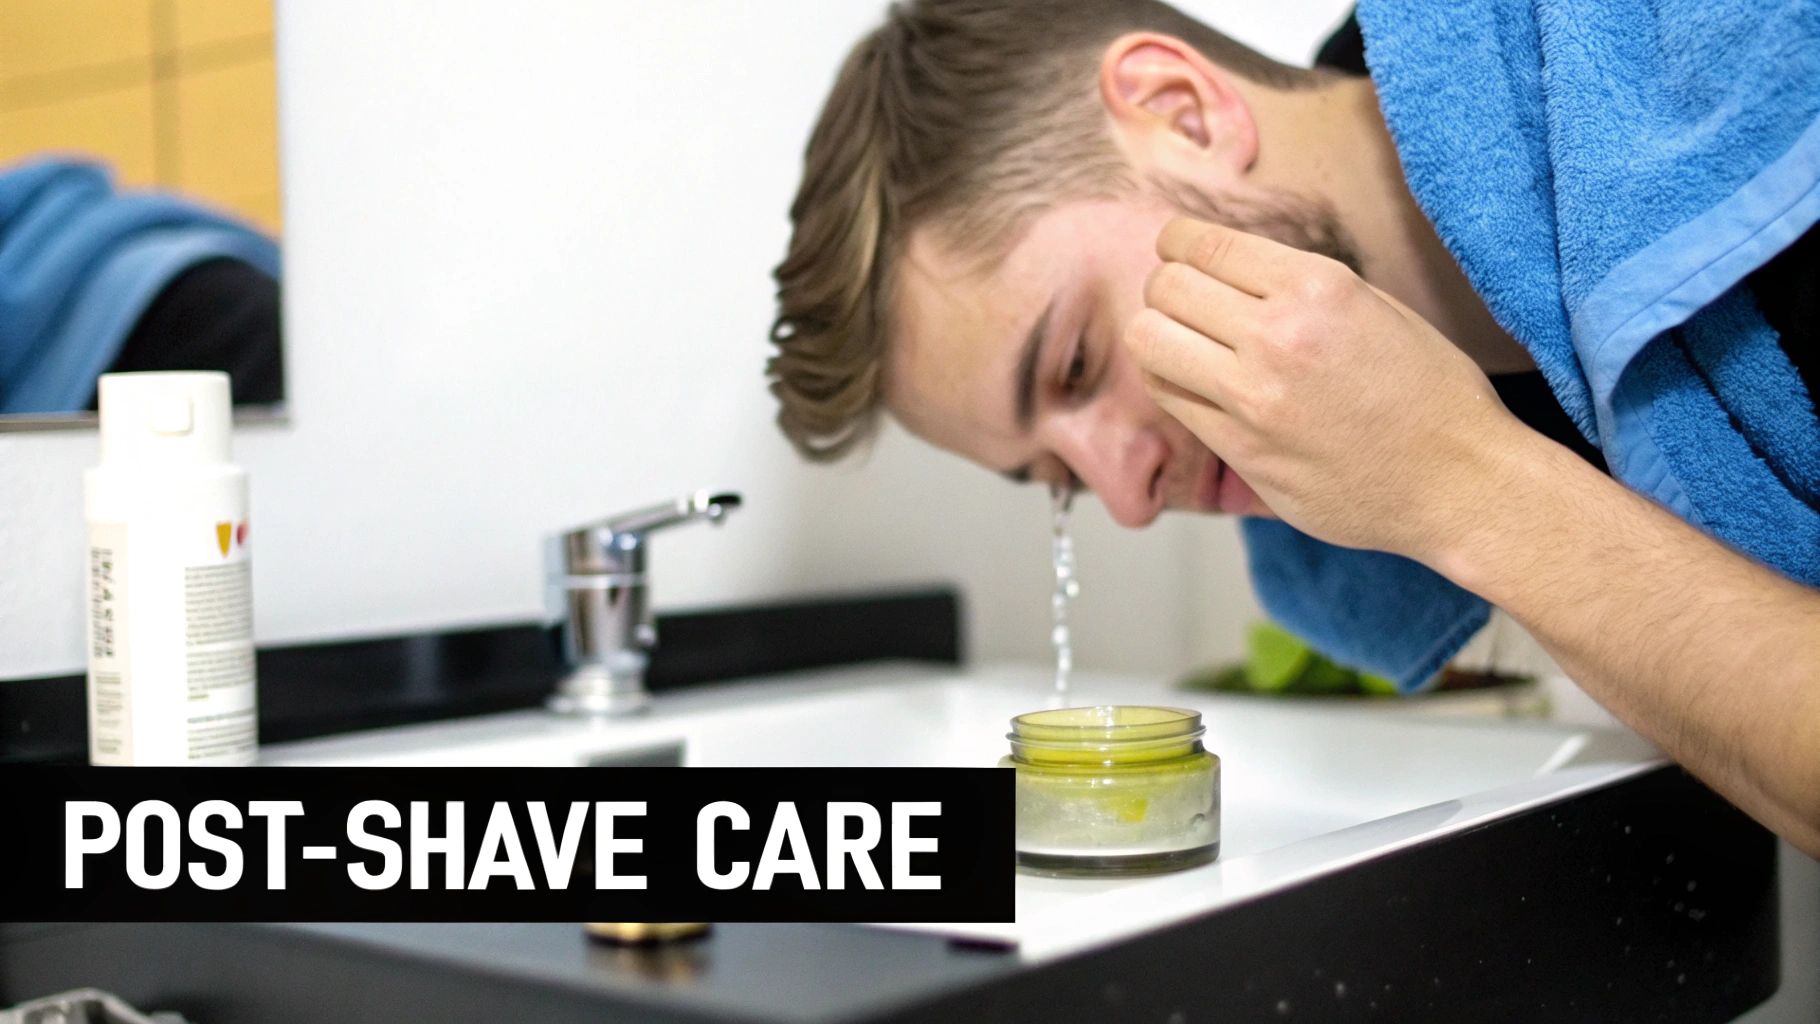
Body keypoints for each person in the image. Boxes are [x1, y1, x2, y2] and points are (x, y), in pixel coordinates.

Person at [765, 0, 1820, 856]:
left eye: (1076, 361)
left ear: (1182, 112)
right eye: (1060, 479)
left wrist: (1461, 484)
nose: (1127, 501)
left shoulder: (1739, 56)